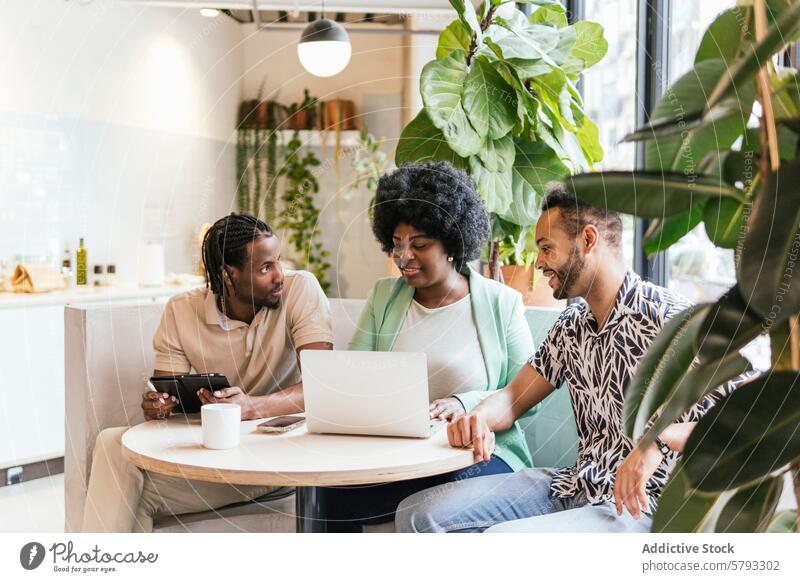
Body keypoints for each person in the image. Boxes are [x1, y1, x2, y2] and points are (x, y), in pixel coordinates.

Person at [395, 183, 747, 533]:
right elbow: (512, 399)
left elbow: (752, 414)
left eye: (547, 248)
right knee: (417, 514)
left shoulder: (676, 320)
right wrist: (477, 419)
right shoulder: (571, 326)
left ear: (588, 240)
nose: (539, 263)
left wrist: (658, 439)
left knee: (502, 541)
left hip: (643, 506)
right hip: (575, 485)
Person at [81, 213, 333, 532]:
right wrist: (159, 408)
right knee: (110, 442)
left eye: (278, 262)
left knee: (131, 496)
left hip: (273, 454)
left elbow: (323, 386)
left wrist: (252, 407)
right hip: (212, 449)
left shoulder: (300, 290)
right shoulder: (181, 310)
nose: (279, 276)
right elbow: (166, 403)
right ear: (229, 275)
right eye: (265, 268)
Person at [320, 161, 537, 532]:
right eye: (397, 244)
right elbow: (351, 374)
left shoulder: (502, 304)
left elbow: (527, 396)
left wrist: (464, 404)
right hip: (400, 455)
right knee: (331, 498)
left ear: (452, 243)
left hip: (479, 455)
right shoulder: (383, 297)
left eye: (419, 245)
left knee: (434, 501)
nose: (404, 256)